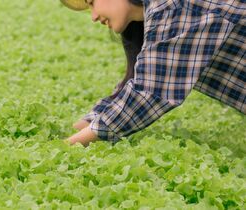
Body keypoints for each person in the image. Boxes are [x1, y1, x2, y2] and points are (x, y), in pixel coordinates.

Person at [59, 0, 245, 146]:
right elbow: (136, 82)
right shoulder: (156, 14)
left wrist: (68, 145)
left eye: (91, 2)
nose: (93, 16)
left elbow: (150, 92)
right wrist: (78, 127)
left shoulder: (172, 6)